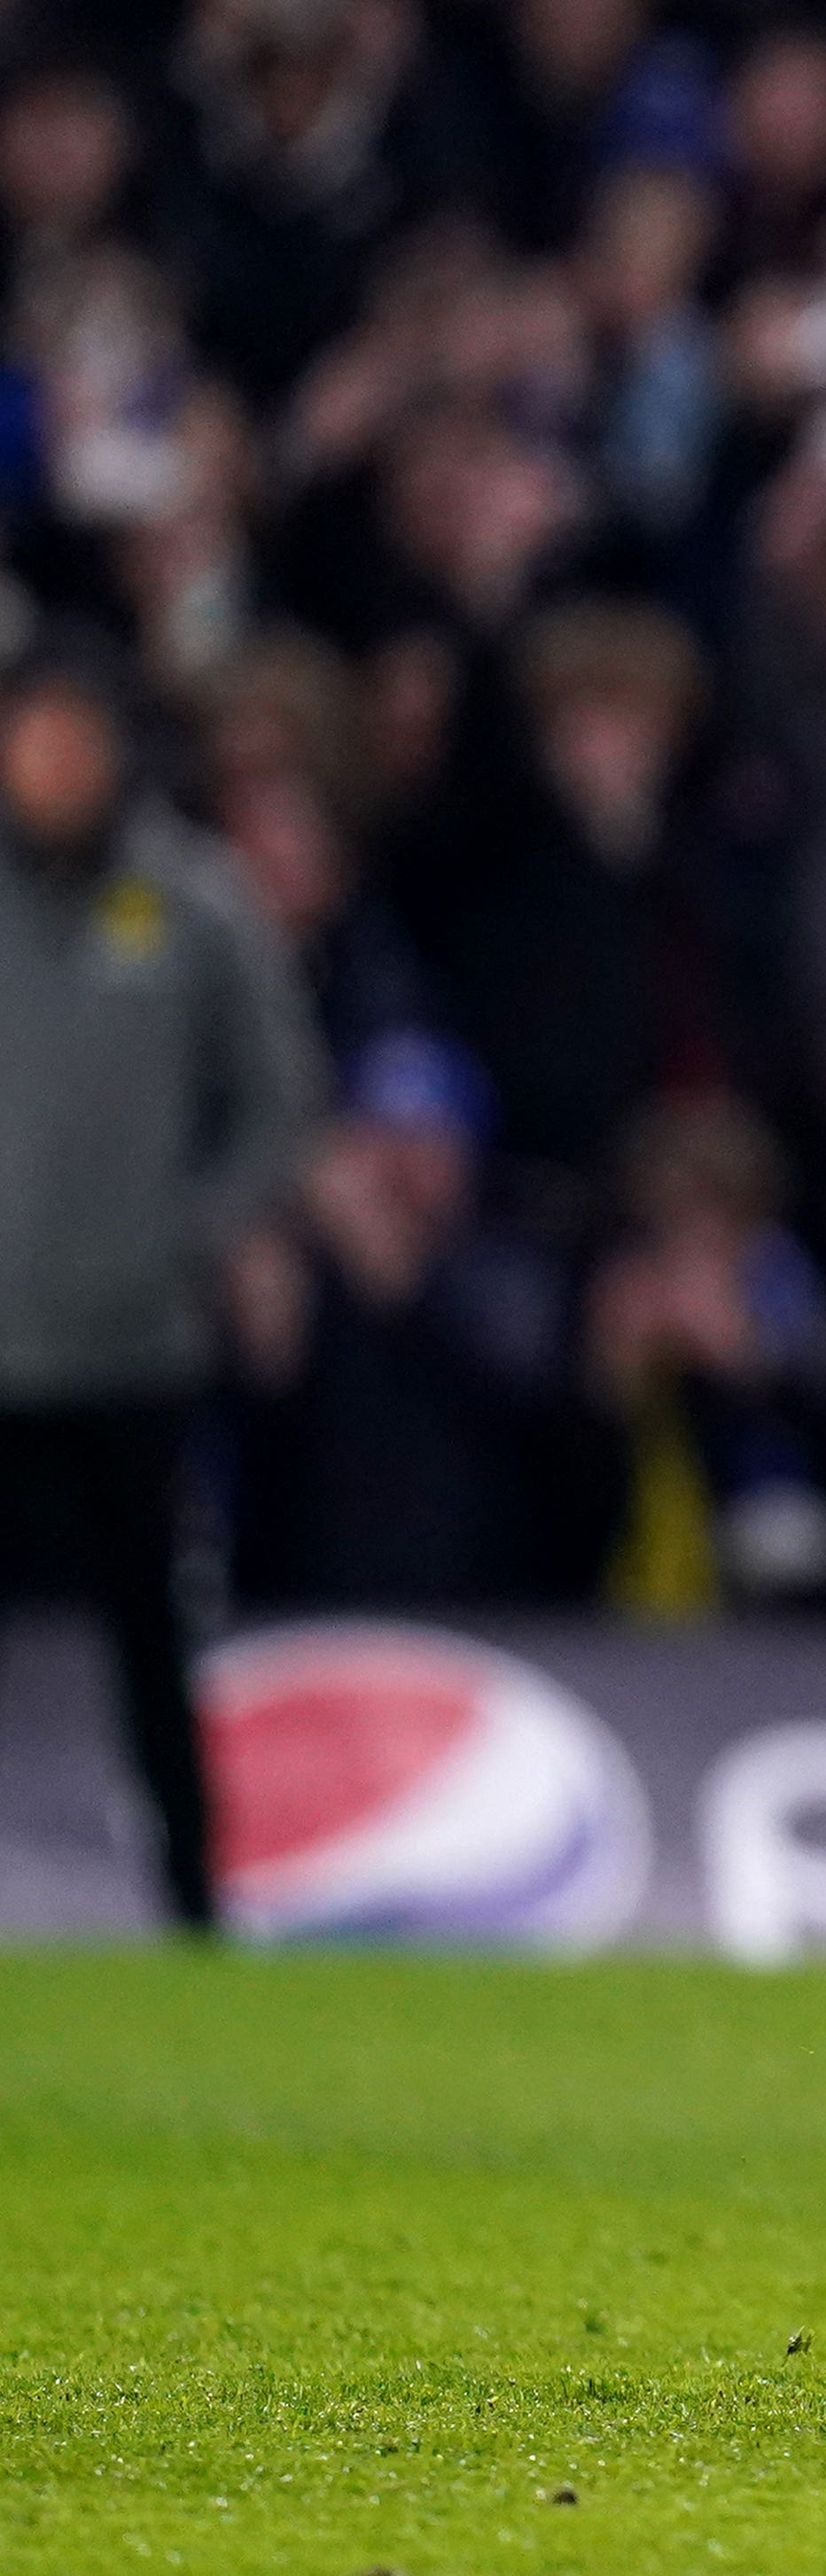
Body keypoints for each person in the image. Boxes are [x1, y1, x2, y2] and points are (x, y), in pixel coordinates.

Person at [0, 657, 323, 1932]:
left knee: (152, 1638)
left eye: (76, 742)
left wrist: (186, 1234)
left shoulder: (192, 899)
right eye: (33, 741)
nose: (54, 768)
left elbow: (279, 1098)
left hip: (133, 1344)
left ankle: (193, 1906)